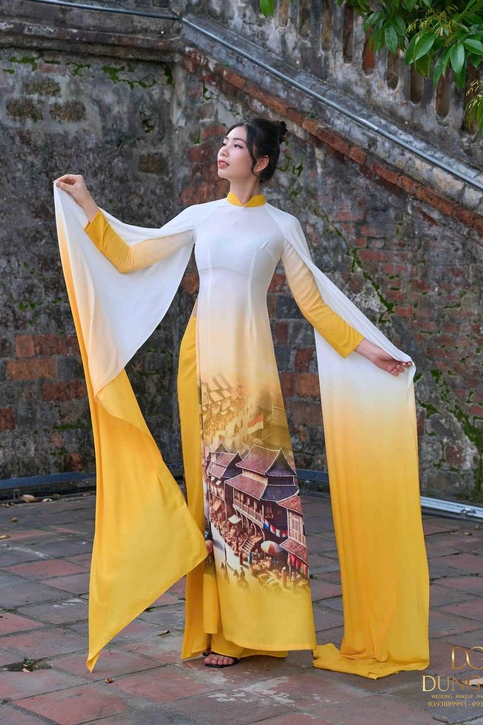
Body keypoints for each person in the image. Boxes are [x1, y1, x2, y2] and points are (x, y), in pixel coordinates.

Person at [53, 117, 430, 679]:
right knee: (211, 498)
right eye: (224, 143)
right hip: (200, 367)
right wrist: (86, 203)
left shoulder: (281, 226)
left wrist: (370, 350)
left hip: (251, 374)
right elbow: (131, 257)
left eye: (236, 145)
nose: (224, 151)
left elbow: (314, 304)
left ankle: (261, 630)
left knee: (255, 493)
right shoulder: (200, 216)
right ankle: (221, 629)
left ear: (261, 162)